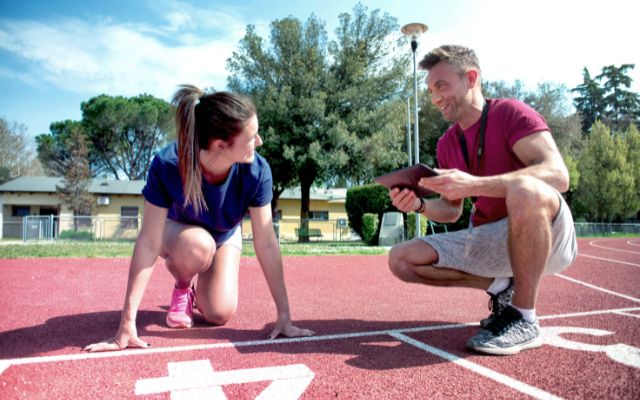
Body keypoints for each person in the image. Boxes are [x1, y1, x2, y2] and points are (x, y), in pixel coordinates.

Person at [85, 85, 314, 352]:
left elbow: (266, 243)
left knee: (219, 313)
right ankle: (183, 286)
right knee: (199, 245)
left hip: (224, 233)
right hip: (176, 234)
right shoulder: (169, 164)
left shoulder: (258, 171)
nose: (260, 141)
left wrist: (284, 315)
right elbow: (149, 241)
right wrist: (126, 323)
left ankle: (199, 293)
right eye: (251, 137)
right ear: (220, 145)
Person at [387, 45, 577, 355]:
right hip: (490, 239)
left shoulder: (511, 113)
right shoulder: (447, 143)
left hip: (548, 234)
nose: (434, 98)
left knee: (524, 189)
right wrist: (419, 205)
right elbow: (450, 212)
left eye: (441, 86)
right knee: (400, 259)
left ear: (471, 77)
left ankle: (524, 318)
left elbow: (558, 175)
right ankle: (501, 287)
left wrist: (475, 184)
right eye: (431, 90)